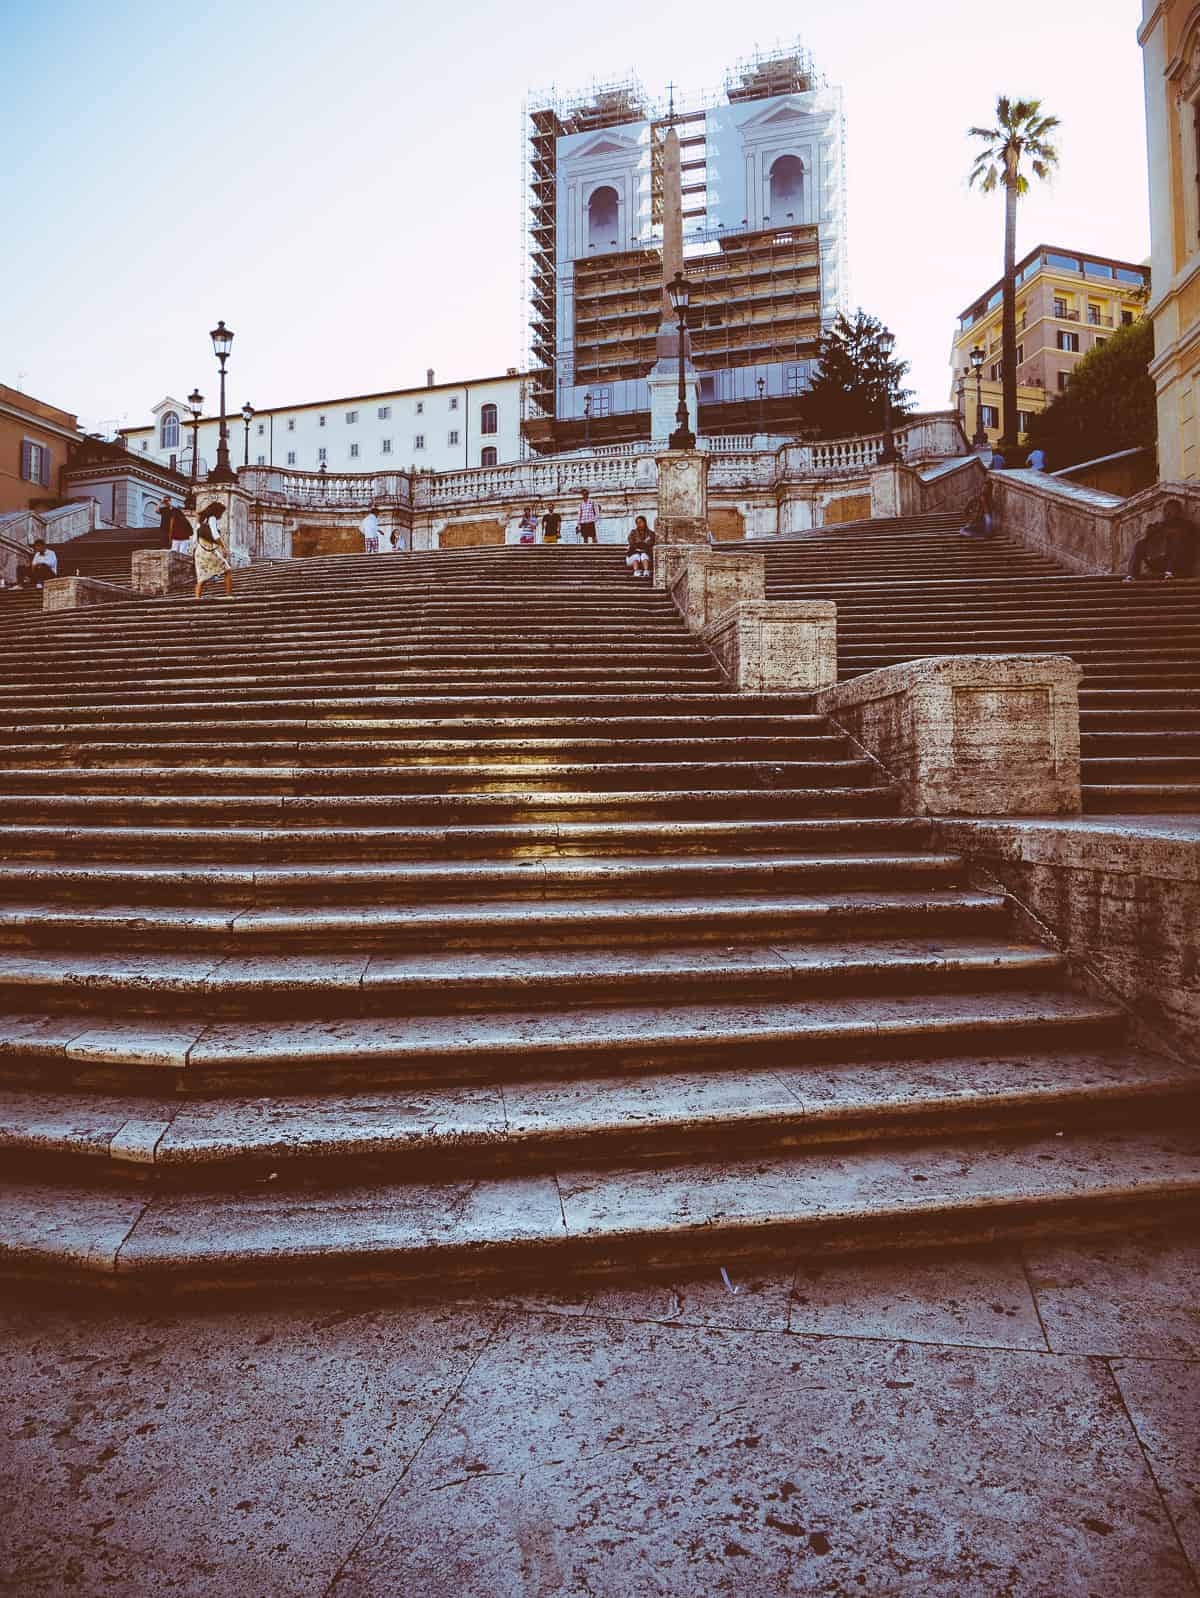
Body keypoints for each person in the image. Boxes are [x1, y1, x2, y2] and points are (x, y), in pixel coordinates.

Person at [1126, 500, 1198, 582]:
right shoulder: (1160, 525)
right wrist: (1151, 532)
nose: (1167, 513)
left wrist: (1167, 532)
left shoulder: (1187, 524)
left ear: (1178, 511)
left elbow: (1188, 541)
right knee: (1140, 544)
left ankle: (1170, 572)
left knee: (1175, 538)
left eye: (1171, 510)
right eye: (1165, 510)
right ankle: (1131, 575)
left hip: (1178, 563)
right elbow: (1148, 540)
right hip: (1158, 559)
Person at [193, 501, 233, 600]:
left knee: (202, 576)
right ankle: (228, 595)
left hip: (199, 550)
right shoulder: (212, 518)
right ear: (217, 512)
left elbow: (195, 536)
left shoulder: (201, 519)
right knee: (227, 570)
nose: (221, 515)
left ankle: (197, 598)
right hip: (208, 550)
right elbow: (215, 535)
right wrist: (224, 548)